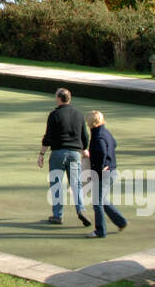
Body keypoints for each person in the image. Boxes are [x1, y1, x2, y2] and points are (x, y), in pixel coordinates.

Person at [37, 88, 91, 226]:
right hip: (74, 154)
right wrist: (84, 149)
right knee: (76, 184)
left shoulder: (54, 115)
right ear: (69, 98)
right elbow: (84, 135)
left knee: (57, 184)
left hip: (58, 153)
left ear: (58, 98)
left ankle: (57, 215)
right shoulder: (79, 115)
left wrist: (42, 154)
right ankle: (81, 209)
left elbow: (48, 136)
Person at [84, 110, 127, 238]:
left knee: (97, 202)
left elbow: (102, 151)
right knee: (103, 200)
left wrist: (102, 165)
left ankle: (100, 231)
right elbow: (114, 143)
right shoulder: (105, 132)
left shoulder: (98, 136)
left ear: (92, 123)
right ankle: (121, 221)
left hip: (103, 174)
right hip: (112, 172)